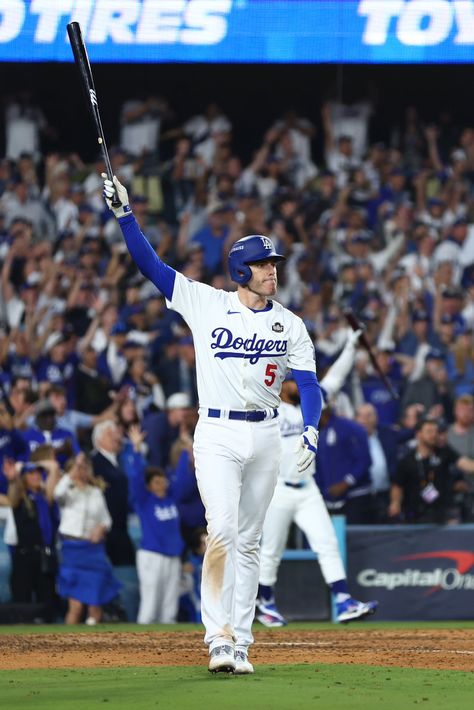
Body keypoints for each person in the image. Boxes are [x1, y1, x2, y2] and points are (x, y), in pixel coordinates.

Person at [103, 175, 322, 675]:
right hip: (218, 432)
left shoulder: (290, 322)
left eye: (273, 263)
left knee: (250, 540)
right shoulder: (207, 302)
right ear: (240, 270)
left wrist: (310, 428)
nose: (272, 271)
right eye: (264, 264)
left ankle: (241, 642)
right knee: (221, 530)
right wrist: (125, 216)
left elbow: (309, 385)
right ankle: (217, 639)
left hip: (268, 433)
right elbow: (150, 266)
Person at [256, 332, 378, 628]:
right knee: (271, 551)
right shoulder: (268, 407)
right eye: (292, 380)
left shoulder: (310, 403)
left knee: (327, 543)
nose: (298, 384)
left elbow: (335, 378)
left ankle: (343, 601)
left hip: (307, 488)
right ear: (281, 384)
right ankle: (265, 603)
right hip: (278, 490)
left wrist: (350, 345)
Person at [54, 453, 121, 625]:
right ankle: (67, 650)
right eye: (79, 467)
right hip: (72, 550)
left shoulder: (96, 492)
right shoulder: (67, 492)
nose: (82, 470)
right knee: (75, 606)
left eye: (84, 467)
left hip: (93, 551)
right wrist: (73, 470)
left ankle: (94, 650)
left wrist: (101, 528)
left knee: (95, 605)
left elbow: (106, 519)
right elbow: (57, 494)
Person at [4, 458, 60, 622]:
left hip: (44, 556)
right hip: (24, 557)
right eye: (31, 473)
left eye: (38, 473)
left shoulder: (45, 498)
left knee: (47, 603)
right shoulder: (20, 499)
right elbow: (12, 496)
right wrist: (13, 479)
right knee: (22, 603)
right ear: (24, 478)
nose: (36, 476)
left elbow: (54, 468)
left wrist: (40, 464)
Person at [129, 465, 184, 624]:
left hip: (173, 555)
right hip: (151, 555)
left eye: (163, 481)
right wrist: (137, 452)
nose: (161, 485)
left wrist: (186, 455)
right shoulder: (144, 501)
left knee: (170, 602)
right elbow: (135, 479)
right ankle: (141, 641)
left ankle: (168, 641)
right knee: (150, 601)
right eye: (156, 482)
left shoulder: (171, 499)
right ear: (148, 486)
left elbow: (182, 479)